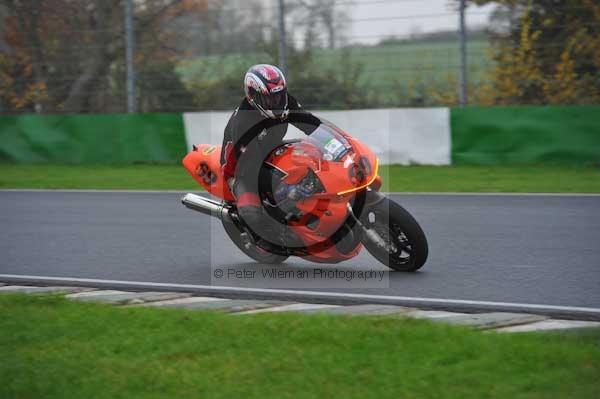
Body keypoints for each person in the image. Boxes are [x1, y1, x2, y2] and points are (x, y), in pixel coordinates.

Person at [220, 64, 322, 248]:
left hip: (269, 147)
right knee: (254, 209)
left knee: (309, 154)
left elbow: (308, 122)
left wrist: (335, 141)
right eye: (270, 98)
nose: (277, 102)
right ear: (253, 96)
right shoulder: (244, 123)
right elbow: (251, 170)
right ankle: (268, 241)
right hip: (240, 168)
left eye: (279, 95)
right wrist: (285, 189)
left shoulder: (285, 101)